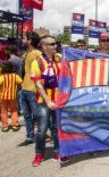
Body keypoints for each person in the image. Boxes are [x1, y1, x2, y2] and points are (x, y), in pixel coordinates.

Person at [31, 35, 69, 167]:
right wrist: (48, 101)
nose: (55, 46)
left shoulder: (59, 58)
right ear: (44, 46)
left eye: (56, 44)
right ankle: (39, 153)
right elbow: (38, 85)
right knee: (42, 129)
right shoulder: (37, 62)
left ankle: (58, 151)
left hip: (59, 99)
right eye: (52, 44)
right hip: (43, 101)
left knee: (57, 127)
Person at [20, 32, 42, 145]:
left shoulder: (38, 54)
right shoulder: (26, 54)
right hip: (24, 88)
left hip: (33, 89)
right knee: (26, 115)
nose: (21, 40)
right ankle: (30, 136)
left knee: (37, 114)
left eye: (24, 38)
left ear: (30, 40)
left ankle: (41, 134)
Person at [0, 62, 23, 132]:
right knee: (14, 110)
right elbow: (21, 83)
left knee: (4, 112)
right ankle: (15, 125)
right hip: (13, 97)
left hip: (3, 97)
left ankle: (5, 126)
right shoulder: (15, 76)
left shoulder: (2, 77)